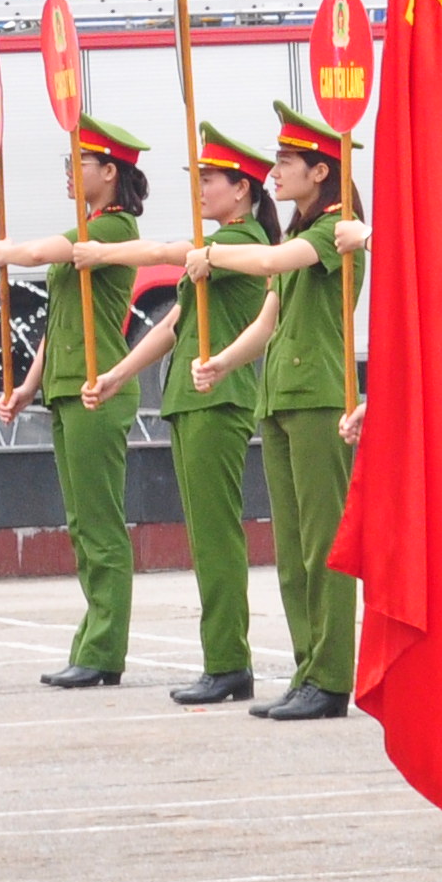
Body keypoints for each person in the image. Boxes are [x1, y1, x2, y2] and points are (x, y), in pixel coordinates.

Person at [76, 123, 279, 708]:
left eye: (210, 180)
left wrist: (105, 251)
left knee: (216, 538)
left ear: (242, 191)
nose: (201, 191)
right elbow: (171, 327)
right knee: (205, 536)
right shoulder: (213, 253)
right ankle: (222, 659)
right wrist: (118, 374)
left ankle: (228, 664)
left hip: (220, 400)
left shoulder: (240, 247)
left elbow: (168, 252)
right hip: (192, 400)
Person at [175, 106, 365, 721]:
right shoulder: (299, 232)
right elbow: (269, 319)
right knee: (291, 549)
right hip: (279, 396)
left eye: (287, 163)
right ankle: (308, 667)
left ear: (320, 170)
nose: (276, 172)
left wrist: (212, 256)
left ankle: (332, 676)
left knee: (323, 545)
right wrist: (224, 363)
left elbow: (268, 265)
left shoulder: (336, 229)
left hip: (318, 399)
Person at [0, 117, 149, 690]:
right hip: (67, 386)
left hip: (97, 388)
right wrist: (30, 385)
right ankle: (92, 642)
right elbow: (59, 323)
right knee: (82, 523)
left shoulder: (112, 229)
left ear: (110, 173)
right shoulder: (87, 230)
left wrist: (6, 250)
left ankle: (105, 650)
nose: (68, 173)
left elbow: (34, 254)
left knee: (100, 524)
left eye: (78, 164)